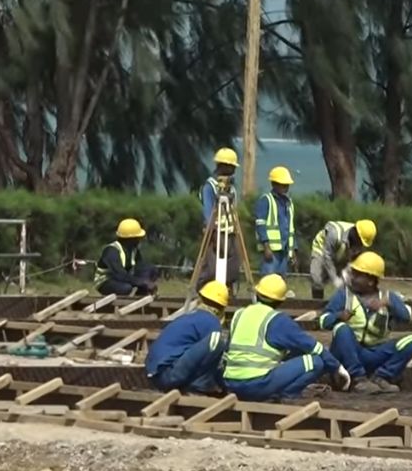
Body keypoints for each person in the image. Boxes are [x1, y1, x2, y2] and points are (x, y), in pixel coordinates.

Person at [223, 274, 348, 402]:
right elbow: (313, 347)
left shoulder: (239, 314)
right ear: (281, 301)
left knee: (291, 352)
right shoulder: (278, 320)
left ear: (257, 293)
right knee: (315, 362)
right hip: (257, 385)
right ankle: (287, 395)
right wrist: (337, 367)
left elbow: (228, 351)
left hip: (231, 384)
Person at [318, 252, 412, 394]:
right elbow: (322, 321)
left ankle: (381, 377)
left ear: (371, 281)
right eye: (353, 273)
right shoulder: (344, 295)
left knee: (411, 342)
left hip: (375, 352)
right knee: (342, 329)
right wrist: (338, 316)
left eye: (358, 275)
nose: (353, 278)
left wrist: (388, 303)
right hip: (350, 353)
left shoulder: (387, 297)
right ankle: (358, 379)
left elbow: (406, 316)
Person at [145, 281, 229, 394]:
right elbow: (215, 361)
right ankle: (199, 387)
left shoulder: (190, 317)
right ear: (222, 307)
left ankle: (197, 385)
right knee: (217, 341)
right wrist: (225, 385)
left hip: (155, 374)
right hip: (169, 374)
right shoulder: (211, 322)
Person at [198, 147, 242, 289]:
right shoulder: (210, 187)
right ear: (223, 166)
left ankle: (227, 289)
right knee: (211, 268)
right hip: (214, 233)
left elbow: (234, 209)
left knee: (232, 267)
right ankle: (204, 291)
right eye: (232, 167)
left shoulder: (231, 188)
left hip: (229, 232)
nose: (234, 171)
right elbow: (208, 211)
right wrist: (213, 233)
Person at [309, 219, 376, 299]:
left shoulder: (358, 240)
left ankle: (345, 304)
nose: (360, 245)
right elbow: (327, 256)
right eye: (360, 242)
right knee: (317, 279)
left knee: (349, 281)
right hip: (321, 248)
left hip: (341, 252)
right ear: (356, 233)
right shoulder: (334, 233)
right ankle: (317, 304)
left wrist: (347, 271)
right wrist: (335, 279)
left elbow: (355, 260)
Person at [93, 219, 159, 296]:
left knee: (151, 269)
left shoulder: (134, 250)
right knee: (126, 288)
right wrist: (142, 282)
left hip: (124, 278)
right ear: (130, 239)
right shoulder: (111, 251)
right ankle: (120, 303)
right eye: (137, 237)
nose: (140, 240)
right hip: (106, 282)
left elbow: (140, 267)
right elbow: (119, 275)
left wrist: (147, 281)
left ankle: (142, 295)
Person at [254, 165, 296, 278]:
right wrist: (266, 246)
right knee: (268, 280)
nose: (286, 187)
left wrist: (293, 250)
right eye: (283, 185)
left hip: (284, 249)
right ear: (274, 184)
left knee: (280, 281)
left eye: (287, 185)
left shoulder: (288, 203)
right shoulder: (266, 200)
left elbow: (291, 228)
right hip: (271, 250)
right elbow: (260, 224)